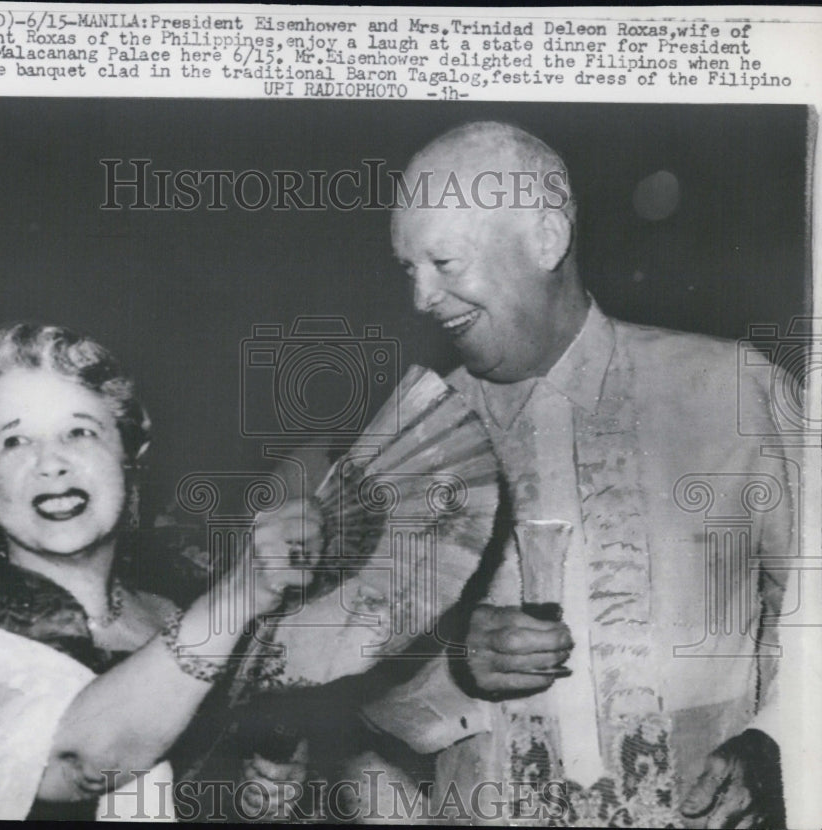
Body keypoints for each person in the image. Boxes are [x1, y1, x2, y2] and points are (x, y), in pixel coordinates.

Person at [268, 121, 803, 826]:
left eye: (445, 263)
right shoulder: (405, 443)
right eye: (408, 269)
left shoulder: (733, 392)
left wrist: (775, 744)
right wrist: (453, 663)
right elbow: (340, 686)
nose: (421, 297)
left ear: (547, 239)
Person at [0, 322, 322, 819]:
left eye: (79, 432)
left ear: (129, 454)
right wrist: (237, 595)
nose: (52, 462)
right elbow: (72, 764)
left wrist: (255, 790)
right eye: (15, 441)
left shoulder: (175, 608)